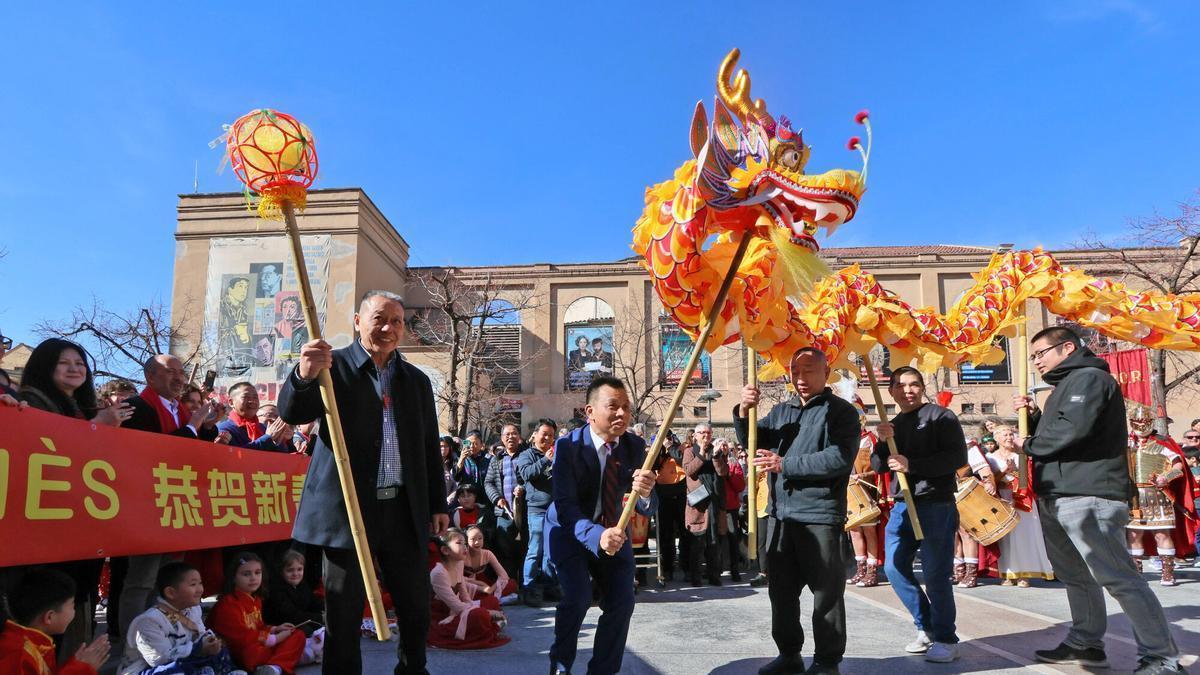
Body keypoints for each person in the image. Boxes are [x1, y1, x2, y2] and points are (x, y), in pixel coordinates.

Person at [278, 290, 447, 675]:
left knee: (415, 607)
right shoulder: (331, 366)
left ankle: (412, 670)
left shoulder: (415, 381)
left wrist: (438, 503)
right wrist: (304, 375)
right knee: (343, 612)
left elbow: (427, 446)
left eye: (397, 321)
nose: (388, 328)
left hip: (402, 510)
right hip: (348, 511)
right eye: (379, 319)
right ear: (358, 321)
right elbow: (292, 411)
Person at [1014, 325, 1183, 673]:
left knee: (1119, 577)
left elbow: (1073, 431)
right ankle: (1086, 642)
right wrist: (1034, 417)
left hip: (1088, 494)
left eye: (1040, 353)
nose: (1036, 361)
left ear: (1067, 348)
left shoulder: (1089, 379)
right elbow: (1062, 430)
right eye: (1032, 356)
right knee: (1076, 575)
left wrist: (1028, 444)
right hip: (1059, 493)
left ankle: (1162, 657)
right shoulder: (1065, 386)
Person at [736, 347, 858, 675]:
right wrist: (743, 412)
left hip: (820, 515)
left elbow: (839, 458)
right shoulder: (782, 411)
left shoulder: (841, 412)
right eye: (795, 372)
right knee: (781, 593)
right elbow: (753, 441)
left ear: (826, 372)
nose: (801, 379)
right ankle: (789, 654)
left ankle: (827, 661)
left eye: (809, 371)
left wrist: (785, 464)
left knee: (826, 595)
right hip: (781, 516)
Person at [17, 338, 132, 658]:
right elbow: (41, 449)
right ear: (44, 365)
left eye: (80, 364)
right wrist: (95, 428)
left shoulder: (81, 408)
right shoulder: (27, 403)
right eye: (64, 363)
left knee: (78, 603)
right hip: (45, 527)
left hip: (79, 523)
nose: (74, 369)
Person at [546, 376, 657, 675]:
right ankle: (561, 664)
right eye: (613, 406)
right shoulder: (568, 446)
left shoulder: (635, 446)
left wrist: (646, 492)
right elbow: (565, 506)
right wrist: (598, 536)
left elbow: (647, 504)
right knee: (577, 598)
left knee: (622, 602)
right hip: (570, 532)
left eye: (626, 407)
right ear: (590, 411)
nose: (622, 413)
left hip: (614, 533)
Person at [873, 366, 967, 664]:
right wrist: (881, 441)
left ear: (922, 387)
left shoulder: (941, 417)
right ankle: (925, 626)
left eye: (914, 384)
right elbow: (878, 465)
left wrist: (911, 465)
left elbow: (957, 458)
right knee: (893, 567)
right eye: (901, 386)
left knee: (936, 573)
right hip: (902, 504)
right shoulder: (892, 425)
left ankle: (946, 639)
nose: (908, 391)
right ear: (891, 391)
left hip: (936, 503)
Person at [118, 561, 239, 675]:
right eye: (193, 584)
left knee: (221, 652)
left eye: (200, 583)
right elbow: (158, 659)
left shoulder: (193, 609)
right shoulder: (149, 621)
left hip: (184, 660)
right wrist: (198, 649)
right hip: (147, 669)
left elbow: (199, 634)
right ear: (171, 592)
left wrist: (210, 642)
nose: (200, 589)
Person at [1124, 404, 1197, 585]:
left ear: (1150, 422)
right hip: (1133, 496)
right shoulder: (1126, 443)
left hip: (1157, 495)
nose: (1141, 424)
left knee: (1161, 534)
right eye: (1137, 421)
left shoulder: (1162, 443)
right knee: (1134, 535)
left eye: (1144, 420)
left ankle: (1167, 573)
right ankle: (1136, 573)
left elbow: (1178, 465)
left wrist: (1166, 477)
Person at [0, 568, 110, 675]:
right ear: (49, 617)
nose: (74, 611)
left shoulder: (31, 642)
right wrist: (81, 669)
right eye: (72, 606)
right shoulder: (18, 654)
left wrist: (76, 664)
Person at [209, 552, 305, 674]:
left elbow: (259, 627)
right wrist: (274, 638)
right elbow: (241, 638)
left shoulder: (256, 599)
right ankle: (280, 662)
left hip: (259, 643)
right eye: (246, 574)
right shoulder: (228, 603)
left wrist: (275, 629)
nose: (253, 578)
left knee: (298, 635)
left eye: (257, 573)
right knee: (253, 652)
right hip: (239, 651)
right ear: (233, 577)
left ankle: (274, 667)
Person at [987, 425, 1055, 587]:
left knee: (1024, 535)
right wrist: (1005, 470)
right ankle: (1007, 573)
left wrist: (1017, 492)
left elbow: (1028, 478)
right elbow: (990, 480)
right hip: (1002, 497)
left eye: (1011, 434)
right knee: (1006, 538)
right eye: (1005, 435)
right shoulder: (990, 457)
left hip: (1021, 498)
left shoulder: (1021, 455)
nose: (1009, 437)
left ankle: (1024, 574)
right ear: (996, 439)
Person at [427, 528, 510, 650]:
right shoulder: (438, 573)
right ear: (445, 550)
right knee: (481, 615)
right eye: (459, 543)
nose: (465, 547)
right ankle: (486, 624)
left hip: (457, 609)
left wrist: (476, 605)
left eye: (465, 543)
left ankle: (485, 623)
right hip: (442, 616)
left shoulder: (459, 563)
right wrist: (488, 612)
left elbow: (465, 596)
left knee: (492, 601)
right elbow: (457, 606)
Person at [516, 419, 559, 606]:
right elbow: (527, 474)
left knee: (551, 551)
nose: (547, 438)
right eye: (544, 434)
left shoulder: (557, 453)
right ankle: (529, 587)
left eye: (551, 435)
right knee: (535, 550)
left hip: (555, 510)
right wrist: (545, 460)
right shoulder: (526, 455)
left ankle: (549, 585)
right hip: (537, 510)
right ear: (534, 435)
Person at [846, 403, 888, 588]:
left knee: (870, 531)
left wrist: (862, 476)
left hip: (866, 491)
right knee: (855, 531)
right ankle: (860, 569)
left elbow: (880, 469)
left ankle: (872, 571)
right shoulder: (844, 439)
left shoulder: (870, 440)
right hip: (849, 492)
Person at [684, 423, 728, 586]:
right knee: (697, 542)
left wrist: (716, 456)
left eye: (708, 433)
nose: (705, 435)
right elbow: (689, 471)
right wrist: (702, 454)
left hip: (714, 502)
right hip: (698, 503)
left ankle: (714, 575)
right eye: (702, 432)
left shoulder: (716, 450)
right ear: (695, 435)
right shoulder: (689, 451)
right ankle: (695, 577)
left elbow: (723, 472)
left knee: (714, 541)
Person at [953, 434, 999, 588]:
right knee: (951, 533)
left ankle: (971, 574)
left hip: (964, 492)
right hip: (941, 493)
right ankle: (958, 571)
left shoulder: (966, 444)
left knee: (966, 532)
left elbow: (983, 468)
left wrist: (988, 481)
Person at [264, 550, 325, 665]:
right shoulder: (277, 590)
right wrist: (321, 618)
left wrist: (328, 610)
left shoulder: (302, 585)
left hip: (301, 620)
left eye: (299, 569)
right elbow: (292, 615)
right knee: (308, 629)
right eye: (290, 570)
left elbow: (314, 602)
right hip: (283, 625)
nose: (295, 574)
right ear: (281, 571)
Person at [484, 423, 527, 583]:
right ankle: (509, 584)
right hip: (504, 512)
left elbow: (532, 478)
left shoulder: (527, 455)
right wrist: (497, 498)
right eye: (507, 434)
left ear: (519, 437)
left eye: (514, 433)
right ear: (502, 438)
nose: (510, 437)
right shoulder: (496, 459)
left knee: (527, 548)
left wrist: (522, 489)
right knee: (504, 549)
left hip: (525, 511)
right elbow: (488, 482)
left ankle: (526, 585)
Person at [652, 430, 688, 585]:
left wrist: (670, 447)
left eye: (667, 436)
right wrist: (659, 448)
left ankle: (686, 567)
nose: (665, 439)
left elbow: (682, 461)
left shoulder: (681, 448)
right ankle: (667, 568)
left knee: (685, 533)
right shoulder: (657, 450)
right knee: (665, 534)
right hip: (663, 495)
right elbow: (653, 465)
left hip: (680, 494)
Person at [217, 383, 292, 451]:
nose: (252, 401)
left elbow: (281, 456)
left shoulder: (263, 428)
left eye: (255, 397)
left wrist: (287, 442)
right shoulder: (224, 430)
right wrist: (267, 438)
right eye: (246, 397)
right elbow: (236, 456)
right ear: (231, 402)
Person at [462, 525, 516, 602]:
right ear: (466, 541)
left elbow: (503, 575)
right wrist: (480, 585)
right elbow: (458, 579)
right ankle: (490, 599)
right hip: (468, 585)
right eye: (473, 539)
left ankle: (488, 597)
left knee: (512, 584)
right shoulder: (462, 555)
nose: (477, 542)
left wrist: (490, 589)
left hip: (486, 583)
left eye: (480, 538)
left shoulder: (487, 554)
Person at [719, 438, 747, 582]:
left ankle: (734, 569)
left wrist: (729, 474)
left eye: (729, 448)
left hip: (730, 507)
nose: (726, 450)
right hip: (716, 506)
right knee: (716, 538)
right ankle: (717, 567)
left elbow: (740, 486)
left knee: (732, 538)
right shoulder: (713, 461)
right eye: (723, 447)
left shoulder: (734, 464)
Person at [453, 431, 491, 498]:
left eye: (475, 443)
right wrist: (462, 458)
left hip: (484, 496)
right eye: (469, 443)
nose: (471, 446)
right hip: (465, 496)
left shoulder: (488, 458)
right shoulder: (459, 458)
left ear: (481, 444)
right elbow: (455, 477)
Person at [440, 436, 460, 505]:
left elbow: (456, 484)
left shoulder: (454, 462)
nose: (443, 449)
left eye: (446, 446)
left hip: (450, 501)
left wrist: (450, 497)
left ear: (450, 448)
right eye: (441, 446)